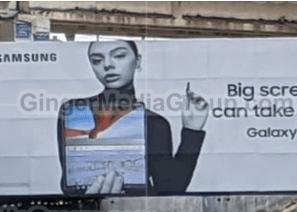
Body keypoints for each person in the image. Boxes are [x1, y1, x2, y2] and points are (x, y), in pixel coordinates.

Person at [57, 39, 210, 196]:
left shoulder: (154, 123)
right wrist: (83, 200)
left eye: (119, 56)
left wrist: (192, 131)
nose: (107, 65)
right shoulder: (73, 112)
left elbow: (170, 187)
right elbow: (70, 179)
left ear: (138, 61)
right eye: (97, 60)